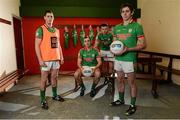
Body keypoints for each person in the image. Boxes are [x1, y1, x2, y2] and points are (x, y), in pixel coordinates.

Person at [110, 3, 147, 116]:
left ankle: (132, 105)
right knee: (119, 80)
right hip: (118, 59)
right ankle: (121, 100)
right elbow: (114, 43)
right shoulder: (116, 28)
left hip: (130, 59)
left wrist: (128, 49)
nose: (125, 13)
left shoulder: (137, 26)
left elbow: (143, 45)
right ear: (120, 13)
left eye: (127, 11)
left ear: (131, 13)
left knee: (131, 82)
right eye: (123, 11)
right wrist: (113, 49)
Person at [35, 10, 65, 110]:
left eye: (51, 16)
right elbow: (36, 46)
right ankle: (43, 99)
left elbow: (58, 45)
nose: (49, 18)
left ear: (53, 18)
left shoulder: (56, 30)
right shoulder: (41, 29)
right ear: (44, 17)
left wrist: (61, 56)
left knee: (54, 78)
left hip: (56, 59)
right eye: (48, 16)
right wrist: (40, 59)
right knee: (43, 80)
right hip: (45, 60)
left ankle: (55, 95)